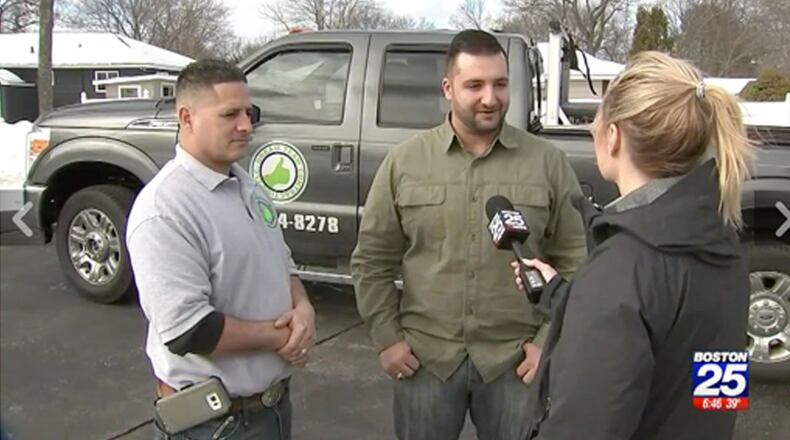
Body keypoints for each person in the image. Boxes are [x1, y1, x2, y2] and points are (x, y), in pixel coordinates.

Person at [351, 29, 587, 440]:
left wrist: (548, 341)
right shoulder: (405, 162)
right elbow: (372, 260)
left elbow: (574, 260)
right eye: (474, 85)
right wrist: (387, 338)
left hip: (515, 363)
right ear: (448, 88)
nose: (490, 98)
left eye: (499, 84)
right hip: (426, 360)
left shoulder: (547, 163)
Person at [514, 51, 753, 440]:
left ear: (614, 136)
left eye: (597, 119)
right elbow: (709, 389)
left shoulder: (624, 268)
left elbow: (585, 425)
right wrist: (565, 296)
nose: (592, 129)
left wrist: (598, 295)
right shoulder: (722, 248)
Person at [126, 59, 316, 440]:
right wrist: (283, 337)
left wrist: (304, 309)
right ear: (187, 117)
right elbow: (189, 330)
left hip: (271, 410)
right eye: (230, 114)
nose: (246, 125)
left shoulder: (247, 186)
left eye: (250, 112)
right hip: (215, 426)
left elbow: (282, 265)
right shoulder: (166, 209)